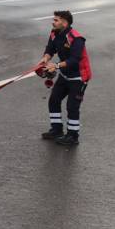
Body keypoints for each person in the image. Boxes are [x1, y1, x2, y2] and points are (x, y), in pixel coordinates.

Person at [38, 10, 92, 146]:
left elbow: (74, 60)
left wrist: (55, 66)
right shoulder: (54, 33)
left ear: (65, 22)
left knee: (72, 107)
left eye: (56, 20)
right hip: (65, 74)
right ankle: (56, 130)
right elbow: (50, 49)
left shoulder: (76, 38)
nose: (53, 22)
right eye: (54, 19)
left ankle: (73, 136)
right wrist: (44, 60)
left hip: (79, 77)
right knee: (54, 100)